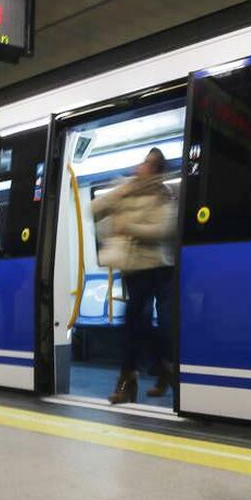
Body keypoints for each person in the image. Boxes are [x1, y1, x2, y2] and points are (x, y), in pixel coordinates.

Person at [91, 148, 178, 404]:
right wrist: (122, 191)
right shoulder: (126, 190)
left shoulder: (163, 194)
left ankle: (163, 374)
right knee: (134, 326)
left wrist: (128, 227)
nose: (142, 167)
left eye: (148, 164)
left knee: (163, 326)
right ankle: (140, 379)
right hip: (134, 269)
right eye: (144, 162)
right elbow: (94, 208)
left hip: (159, 269)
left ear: (157, 169)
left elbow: (163, 230)